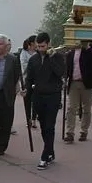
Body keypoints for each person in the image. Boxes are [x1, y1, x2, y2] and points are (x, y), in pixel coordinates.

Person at [24, 32, 66, 170]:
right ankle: (50, 151)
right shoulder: (33, 59)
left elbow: (61, 73)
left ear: (48, 44)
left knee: (50, 126)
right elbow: (29, 78)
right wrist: (26, 91)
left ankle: (44, 156)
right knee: (43, 127)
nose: (40, 49)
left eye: (42, 46)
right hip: (38, 96)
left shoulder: (57, 57)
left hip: (53, 96)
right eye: (38, 46)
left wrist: (51, 57)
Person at [63, 40, 92, 142]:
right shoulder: (71, 51)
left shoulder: (90, 48)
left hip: (87, 83)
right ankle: (70, 132)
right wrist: (65, 79)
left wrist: (87, 47)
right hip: (74, 82)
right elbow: (68, 67)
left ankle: (84, 131)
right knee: (71, 108)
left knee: (86, 108)